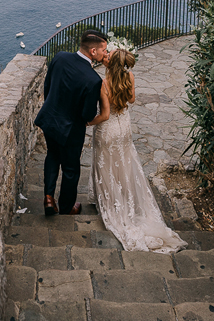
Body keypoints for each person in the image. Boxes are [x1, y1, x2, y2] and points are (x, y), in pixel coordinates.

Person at [87, 48, 186, 252]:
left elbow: (104, 116)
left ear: (110, 64)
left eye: (107, 56)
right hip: (124, 128)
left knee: (106, 167)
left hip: (107, 130)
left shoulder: (103, 83)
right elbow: (131, 100)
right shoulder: (129, 76)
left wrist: (87, 123)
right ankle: (126, 199)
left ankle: (111, 203)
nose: (105, 57)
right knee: (124, 165)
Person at [35, 29, 108, 216]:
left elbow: (47, 87)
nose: (104, 54)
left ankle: (49, 198)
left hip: (50, 119)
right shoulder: (93, 80)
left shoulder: (60, 57)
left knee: (52, 156)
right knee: (70, 168)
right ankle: (67, 207)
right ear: (93, 52)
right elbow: (87, 114)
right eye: (103, 50)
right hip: (71, 130)